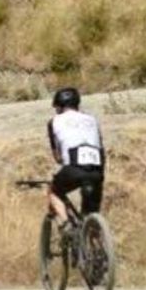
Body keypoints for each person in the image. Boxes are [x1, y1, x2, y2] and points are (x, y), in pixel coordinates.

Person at [46, 87, 105, 226]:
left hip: (73, 169)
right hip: (96, 171)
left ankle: (66, 225)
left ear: (59, 107)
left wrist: (63, 163)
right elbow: (101, 148)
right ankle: (97, 242)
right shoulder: (92, 120)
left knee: (53, 191)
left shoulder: (54, 121)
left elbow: (58, 157)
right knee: (90, 216)